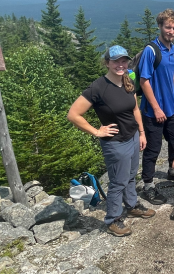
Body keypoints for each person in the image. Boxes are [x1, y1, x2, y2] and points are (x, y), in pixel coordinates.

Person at [67, 45, 155, 237]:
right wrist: (96, 131)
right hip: (115, 142)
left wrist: (141, 132)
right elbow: (73, 114)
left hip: (132, 136)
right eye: (116, 61)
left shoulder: (127, 81)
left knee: (131, 175)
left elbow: (135, 109)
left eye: (124, 61)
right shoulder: (98, 87)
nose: (120, 65)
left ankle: (131, 205)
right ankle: (113, 219)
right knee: (117, 182)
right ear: (107, 62)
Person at [139, 9, 174, 204]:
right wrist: (156, 108)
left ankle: (173, 169)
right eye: (168, 27)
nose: (171, 31)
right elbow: (144, 81)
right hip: (153, 110)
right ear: (160, 26)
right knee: (153, 147)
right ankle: (148, 185)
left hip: (172, 107)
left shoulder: (173, 49)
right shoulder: (151, 50)